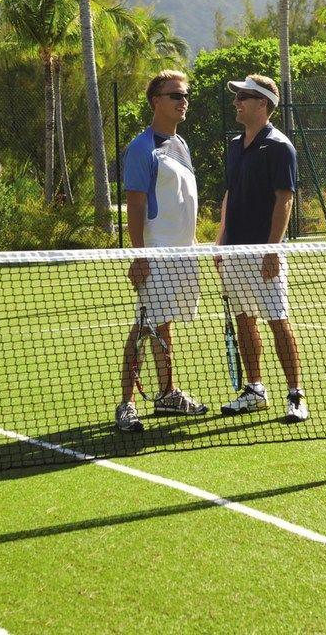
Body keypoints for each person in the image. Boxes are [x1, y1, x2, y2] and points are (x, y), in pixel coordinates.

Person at [115, 70, 208, 433]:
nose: (183, 102)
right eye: (175, 96)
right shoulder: (140, 149)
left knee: (164, 323)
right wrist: (138, 256)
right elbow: (135, 205)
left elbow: (184, 202)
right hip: (155, 254)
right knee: (144, 326)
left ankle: (168, 393)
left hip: (185, 255)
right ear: (156, 101)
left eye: (185, 96)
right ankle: (127, 404)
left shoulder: (181, 145)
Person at [215, 74, 308, 424]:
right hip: (234, 253)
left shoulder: (280, 146)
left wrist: (272, 250)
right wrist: (221, 241)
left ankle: (295, 395)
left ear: (263, 104)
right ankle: (255, 389)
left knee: (277, 321)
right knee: (244, 320)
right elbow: (229, 195)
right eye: (237, 95)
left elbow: (284, 199)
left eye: (244, 96)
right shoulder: (235, 145)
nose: (237, 101)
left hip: (264, 251)